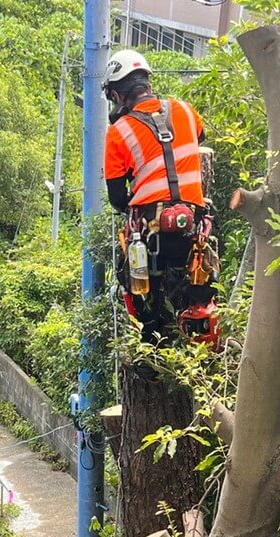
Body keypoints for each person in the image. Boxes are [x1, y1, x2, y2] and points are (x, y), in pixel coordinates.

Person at [102, 50, 219, 346]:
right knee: (200, 284)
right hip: (193, 223)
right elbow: (198, 139)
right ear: (147, 83)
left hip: (150, 230)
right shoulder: (185, 109)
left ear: (117, 93)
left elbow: (117, 197)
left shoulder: (119, 131)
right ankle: (203, 342)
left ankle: (150, 345)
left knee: (132, 282)